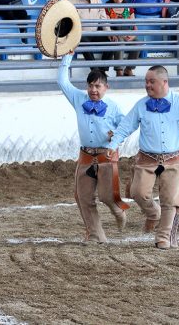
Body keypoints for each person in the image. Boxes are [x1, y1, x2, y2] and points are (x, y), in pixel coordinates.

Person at [109, 66, 179, 249]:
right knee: (138, 192)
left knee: (170, 199)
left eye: (151, 81)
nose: (147, 85)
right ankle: (154, 213)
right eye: (146, 81)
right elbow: (125, 127)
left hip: (174, 159)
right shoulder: (141, 105)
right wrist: (113, 145)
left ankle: (163, 237)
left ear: (164, 82)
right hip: (147, 158)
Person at [58, 52, 128, 244]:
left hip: (106, 155)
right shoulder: (79, 99)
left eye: (98, 86)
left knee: (107, 196)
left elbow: (125, 126)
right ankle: (96, 235)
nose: (93, 90)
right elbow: (63, 82)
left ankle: (118, 210)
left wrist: (117, 135)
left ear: (106, 87)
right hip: (86, 156)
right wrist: (67, 57)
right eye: (90, 85)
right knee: (84, 197)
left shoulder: (113, 107)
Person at [70, 0, 114, 70]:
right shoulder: (73, 2)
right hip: (81, 35)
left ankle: (102, 71)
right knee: (83, 41)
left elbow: (103, 18)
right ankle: (95, 71)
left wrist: (109, 32)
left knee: (112, 41)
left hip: (95, 32)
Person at [105, 0, 139, 77]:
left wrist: (133, 35)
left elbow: (134, 26)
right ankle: (119, 70)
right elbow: (107, 25)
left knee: (137, 43)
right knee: (120, 42)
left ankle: (128, 69)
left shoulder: (128, 8)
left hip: (127, 34)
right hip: (114, 34)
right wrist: (115, 34)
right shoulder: (107, 7)